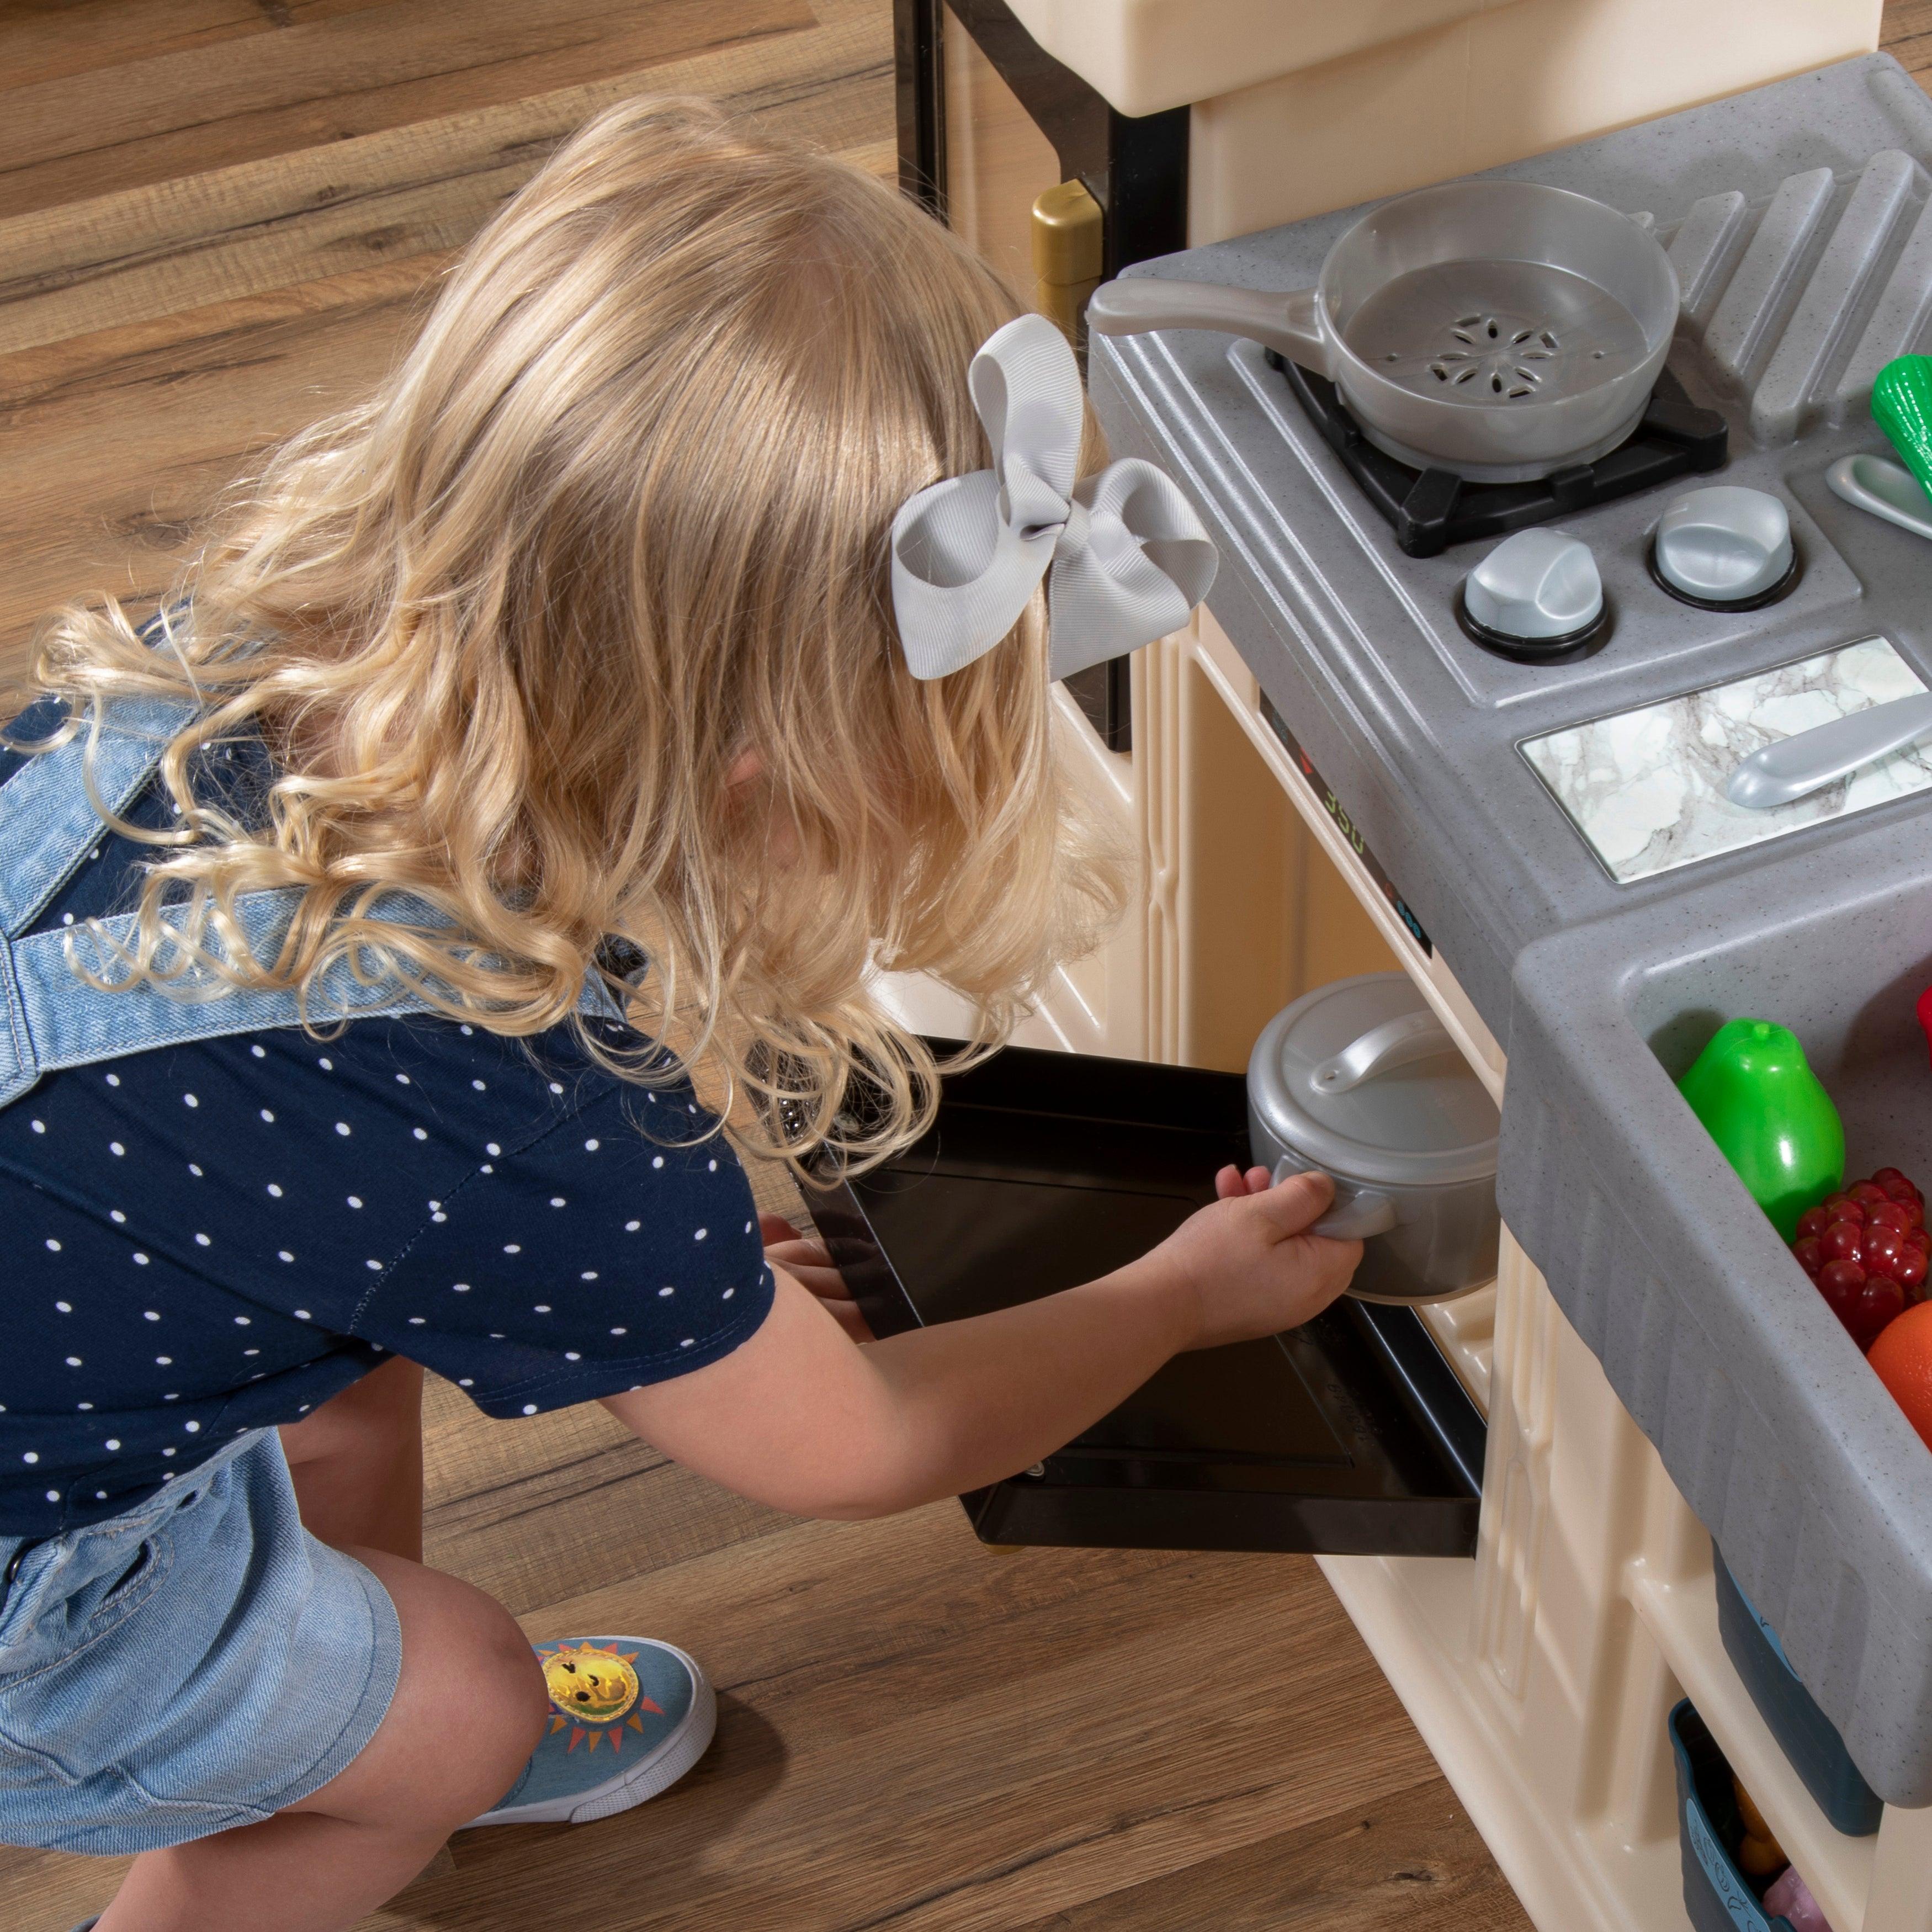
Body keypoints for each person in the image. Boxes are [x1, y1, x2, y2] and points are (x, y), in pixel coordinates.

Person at [0, 96, 1361, 1932]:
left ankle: (331, 1717)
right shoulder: (510, 1109)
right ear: (768, 756)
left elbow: (305, 1201)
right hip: (31, 1587)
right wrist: (1172, 1297)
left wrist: (669, 1280)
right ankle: (371, 1771)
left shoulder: (201, 688)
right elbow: (854, 1443)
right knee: (465, 1696)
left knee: (340, 1357)